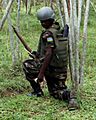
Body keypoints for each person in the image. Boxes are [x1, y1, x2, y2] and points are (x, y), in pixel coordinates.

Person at [23, 7, 79, 110]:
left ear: (51, 20)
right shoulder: (58, 30)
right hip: (61, 69)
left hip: (51, 69)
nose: (43, 24)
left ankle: (37, 91)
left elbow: (49, 53)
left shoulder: (48, 34)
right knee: (55, 93)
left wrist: (41, 74)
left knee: (27, 65)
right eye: (41, 22)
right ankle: (70, 95)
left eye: (45, 22)